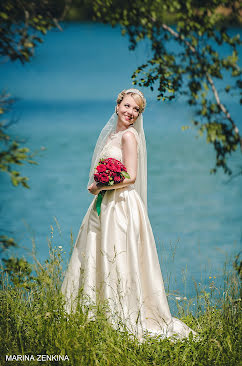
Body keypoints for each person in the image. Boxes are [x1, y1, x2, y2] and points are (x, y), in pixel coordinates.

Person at [61, 88, 197, 341]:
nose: (131, 112)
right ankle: (94, 310)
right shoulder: (113, 135)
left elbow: (131, 176)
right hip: (105, 204)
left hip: (121, 205)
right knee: (96, 253)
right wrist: (99, 183)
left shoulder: (129, 137)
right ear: (117, 106)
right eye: (127, 106)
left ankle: (121, 312)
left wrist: (100, 185)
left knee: (118, 255)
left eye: (136, 109)